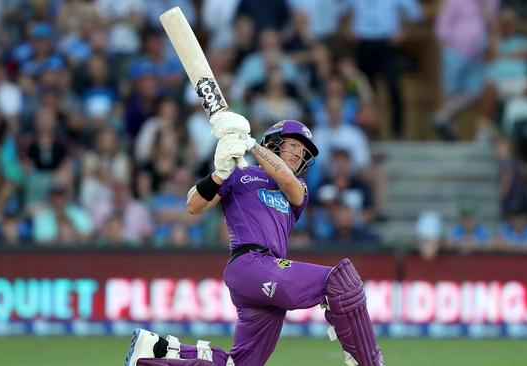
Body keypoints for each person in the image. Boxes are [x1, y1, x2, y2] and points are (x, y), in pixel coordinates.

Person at [125, 112, 385, 366]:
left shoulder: (297, 189)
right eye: (293, 145)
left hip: (267, 271)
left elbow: (284, 177)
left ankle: (154, 351)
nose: (298, 154)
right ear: (273, 143)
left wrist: (249, 144)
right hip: (250, 264)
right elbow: (193, 205)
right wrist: (220, 172)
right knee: (342, 281)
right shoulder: (238, 175)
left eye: (303, 152)